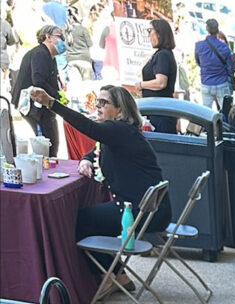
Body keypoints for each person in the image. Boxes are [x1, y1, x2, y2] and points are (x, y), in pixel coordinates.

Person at [30, 85, 172, 249]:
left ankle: (114, 274)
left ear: (120, 110)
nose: (98, 106)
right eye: (97, 101)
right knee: (93, 219)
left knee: (81, 221)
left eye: (103, 103)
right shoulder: (122, 132)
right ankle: (112, 272)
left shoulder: (119, 129)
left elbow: (90, 128)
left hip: (141, 212)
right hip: (147, 210)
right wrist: (86, 160)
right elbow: (95, 150)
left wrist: (51, 103)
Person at [11, 25, 62, 155]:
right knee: (47, 142)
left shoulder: (50, 56)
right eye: (59, 36)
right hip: (32, 105)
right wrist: (57, 95)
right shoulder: (40, 53)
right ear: (48, 37)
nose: (63, 40)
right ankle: (46, 167)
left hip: (42, 104)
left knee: (51, 140)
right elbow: (38, 81)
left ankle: (49, 162)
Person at [136, 19, 176, 135]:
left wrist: (141, 85)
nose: (148, 35)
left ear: (159, 33)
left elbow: (161, 82)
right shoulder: (163, 54)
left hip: (159, 112)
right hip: (158, 110)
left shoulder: (163, 55)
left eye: (150, 31)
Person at [194, 18, 234, 111]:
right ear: (217, 30)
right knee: (226, 111)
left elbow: (198, 62)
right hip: (222, 83)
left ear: (206, 29)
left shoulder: (199, 46)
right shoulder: (224, 47)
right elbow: (230, 68)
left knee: (206, 113)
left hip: (206, 82)